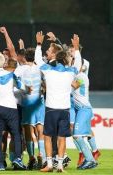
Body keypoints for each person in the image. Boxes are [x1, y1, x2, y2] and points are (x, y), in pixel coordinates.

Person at [38, 34, 79, 172]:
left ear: (56, 59)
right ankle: (60, 165)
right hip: (65, 110)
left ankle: (49, 164)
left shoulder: (49, 71)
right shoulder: (70, 72)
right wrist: (77, 48)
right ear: (66, 60)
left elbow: (38, 60)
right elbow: (78, 64)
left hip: (51, 109)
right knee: (62, 138)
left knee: (48, 137)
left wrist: (39, 44)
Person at [0, 52, 27, 171]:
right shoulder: (11, 75)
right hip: (11, 107)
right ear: (4, 63)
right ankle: (17, 158)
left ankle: (0, 164)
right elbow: (22, 87)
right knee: (16, 134)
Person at [14, 48, 46, 170]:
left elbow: (14, 80)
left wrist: (23, 88)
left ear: (24, 57)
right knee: (40, 130)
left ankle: (32, 157)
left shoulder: (20, 69)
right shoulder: (40, 68)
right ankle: (41, 155)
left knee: (28, 130)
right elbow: (45, 82)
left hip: (27, 102)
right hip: (39, 102)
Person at [71, 58, 98, 170]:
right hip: (81, 109)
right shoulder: (76, 75)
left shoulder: (81, 77)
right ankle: (90, 159)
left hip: (84, 109)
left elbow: (73, 86)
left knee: (77, 135)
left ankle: (90, 159)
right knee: (80, 135)